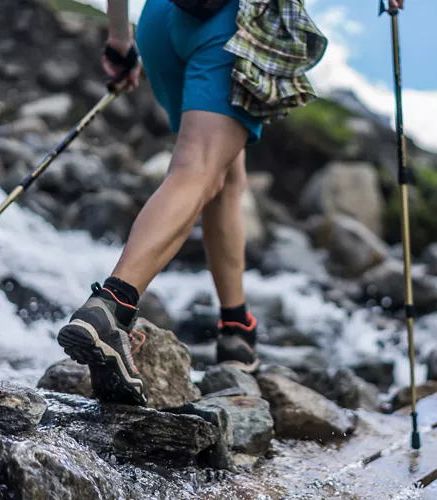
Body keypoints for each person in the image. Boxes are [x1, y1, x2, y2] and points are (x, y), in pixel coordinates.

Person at [56, 0, 404, 407]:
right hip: (228, 24)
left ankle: (236, 328)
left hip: (158, 22)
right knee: (197, 169)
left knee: (223, 174)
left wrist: (119, 39)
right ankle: (112, 306)